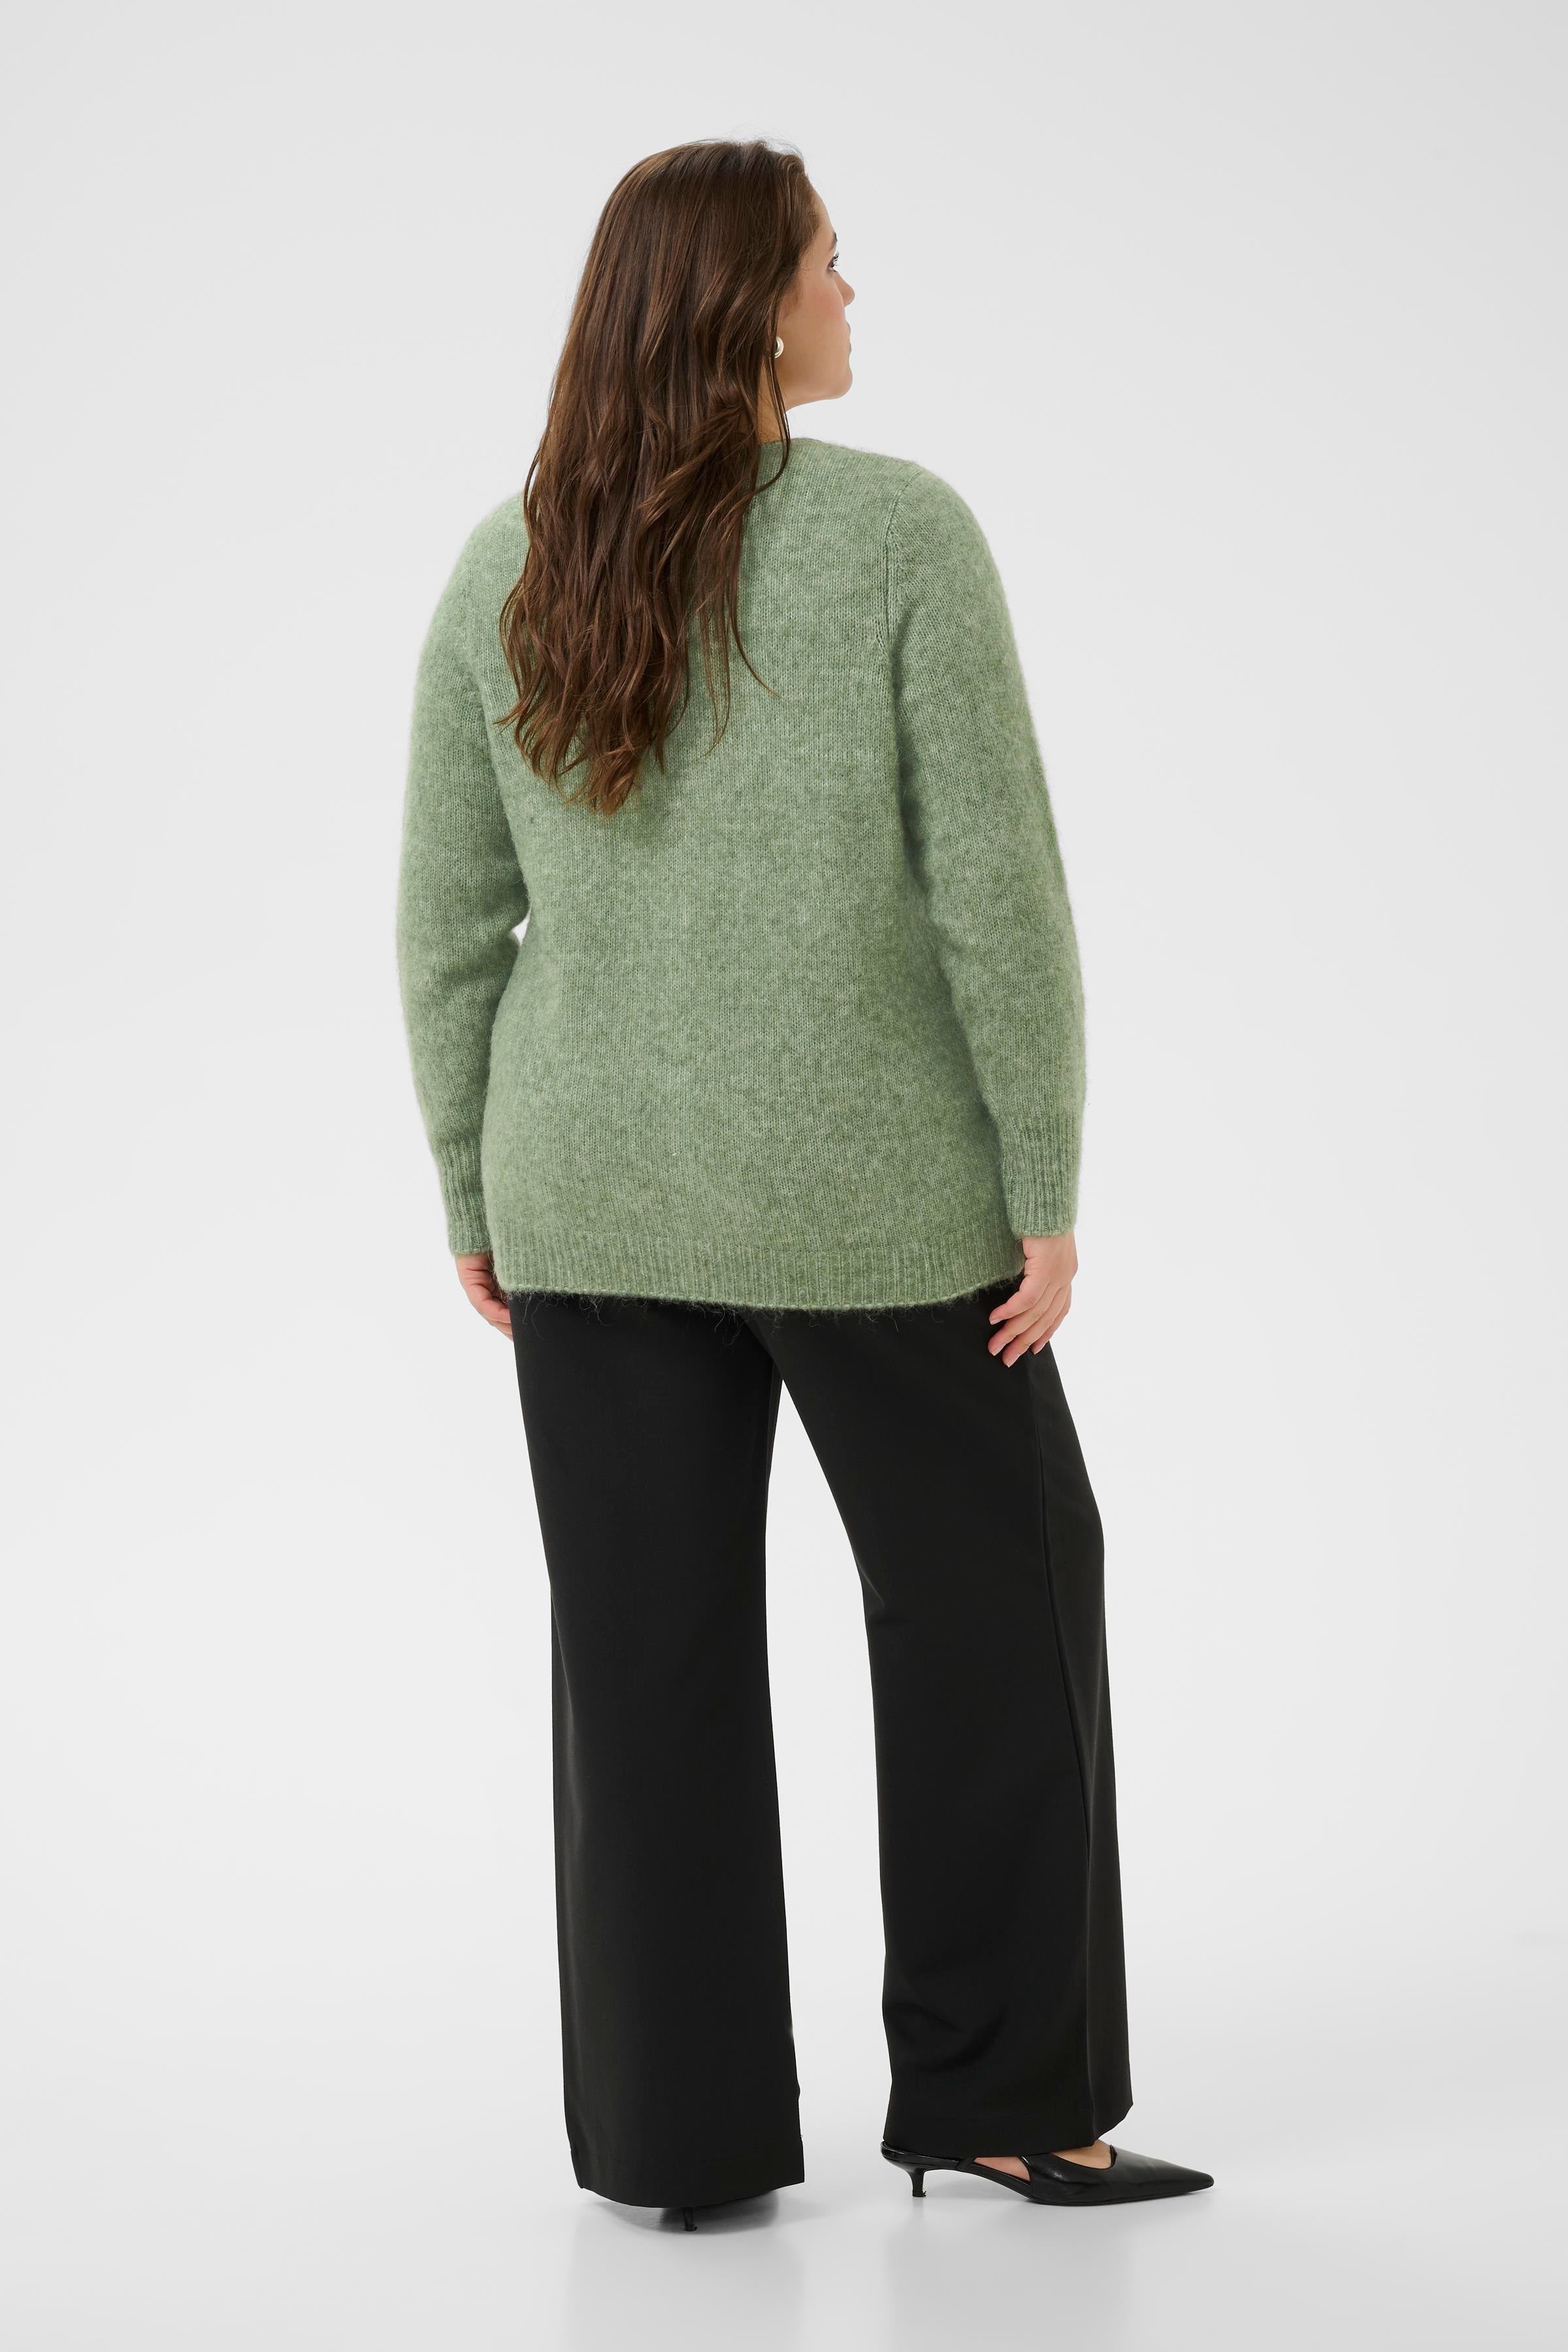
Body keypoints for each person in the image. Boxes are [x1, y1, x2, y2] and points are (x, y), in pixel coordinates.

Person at [395, 137, 1212, 2225]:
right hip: (873, 1206)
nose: (856, 295)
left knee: (645, 1665)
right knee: (999, 1613)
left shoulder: (509, 561)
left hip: (587, 1202)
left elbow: (448, 923)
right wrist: (1043, 1176)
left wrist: (475, 1187)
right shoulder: (898, 533)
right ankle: (1006, 2098)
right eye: (836, 263)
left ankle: (676, 2148)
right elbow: (999, 892)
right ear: (754, 307)